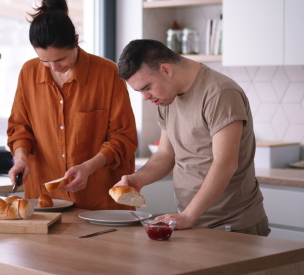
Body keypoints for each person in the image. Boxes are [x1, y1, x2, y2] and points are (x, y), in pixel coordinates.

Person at [115, 39, 270, 236]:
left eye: (147, 87)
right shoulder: (166, 98)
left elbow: (225, 163)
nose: (145, 97)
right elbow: (165, 155)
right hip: (193, 220)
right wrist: (137, 179)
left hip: (232, 224)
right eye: (139, 91)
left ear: (166, 70)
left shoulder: (220, 93)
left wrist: (189, 215)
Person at [6, 0, 138, 210]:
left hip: (100, 203)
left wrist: (88, 167)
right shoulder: (28, 72)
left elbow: (124, 138)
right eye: (45, 61)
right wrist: (20, 159)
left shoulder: (108, 74)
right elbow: (20, 128)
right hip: (44, 201)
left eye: (60, 60)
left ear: (76, 40)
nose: (54, 67)